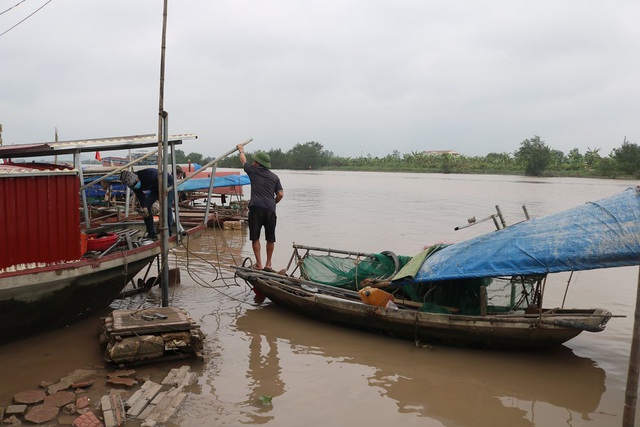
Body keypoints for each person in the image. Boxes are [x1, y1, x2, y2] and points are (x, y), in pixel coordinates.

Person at [237, 144, 284, 271]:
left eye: (255, 161)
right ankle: (268, 264)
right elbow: (280, 194)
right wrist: (273, 202)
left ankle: (259, 264)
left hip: (256, 208)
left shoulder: (253, 170)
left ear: (258, 163)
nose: (253, 163)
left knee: (255, 237)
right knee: (270, 238)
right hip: (270, 210)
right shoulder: (274, 177)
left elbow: (243, 160)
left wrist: (241, 149)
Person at [120, 168, 175, 239]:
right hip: (155, 188)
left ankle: (168, 233)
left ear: (137, 178)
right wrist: (145, 208)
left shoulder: (149, 175)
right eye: (134, 186)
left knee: (166, 207)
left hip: (166, 183)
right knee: (146, 209)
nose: (136, 186)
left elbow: (162, 187)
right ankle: (151, 234)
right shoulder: (133, 184)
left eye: (136, 184)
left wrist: (157, 203)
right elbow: (141, 197)